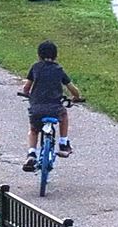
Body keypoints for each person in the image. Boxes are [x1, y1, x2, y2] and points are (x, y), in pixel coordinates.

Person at [16, 39, 81, 170]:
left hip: (37, 108)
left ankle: (31, 154)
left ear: (39, 55)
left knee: (34, 129)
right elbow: (73, 89)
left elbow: (26, 88)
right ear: (56, 56)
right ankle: (63, 143)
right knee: (64, 114)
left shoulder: (35, 68)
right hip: (55, 108)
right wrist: (76, 97)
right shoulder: (59, 70)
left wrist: (27, 94)